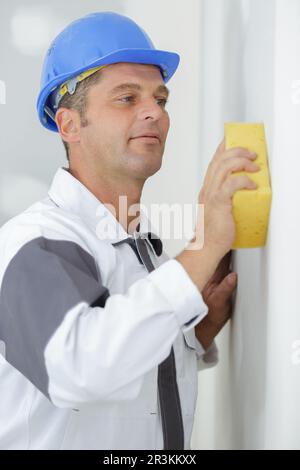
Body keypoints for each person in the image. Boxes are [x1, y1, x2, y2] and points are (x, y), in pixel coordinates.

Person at [0, 11, 259, 450]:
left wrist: (191, 335)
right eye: (127, 98)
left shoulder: (134, 248)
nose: (153, 113)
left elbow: (122, 375)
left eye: (160, 99)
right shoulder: (34, 242)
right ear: (69, 124)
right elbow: (80, 368)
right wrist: (201, 250)